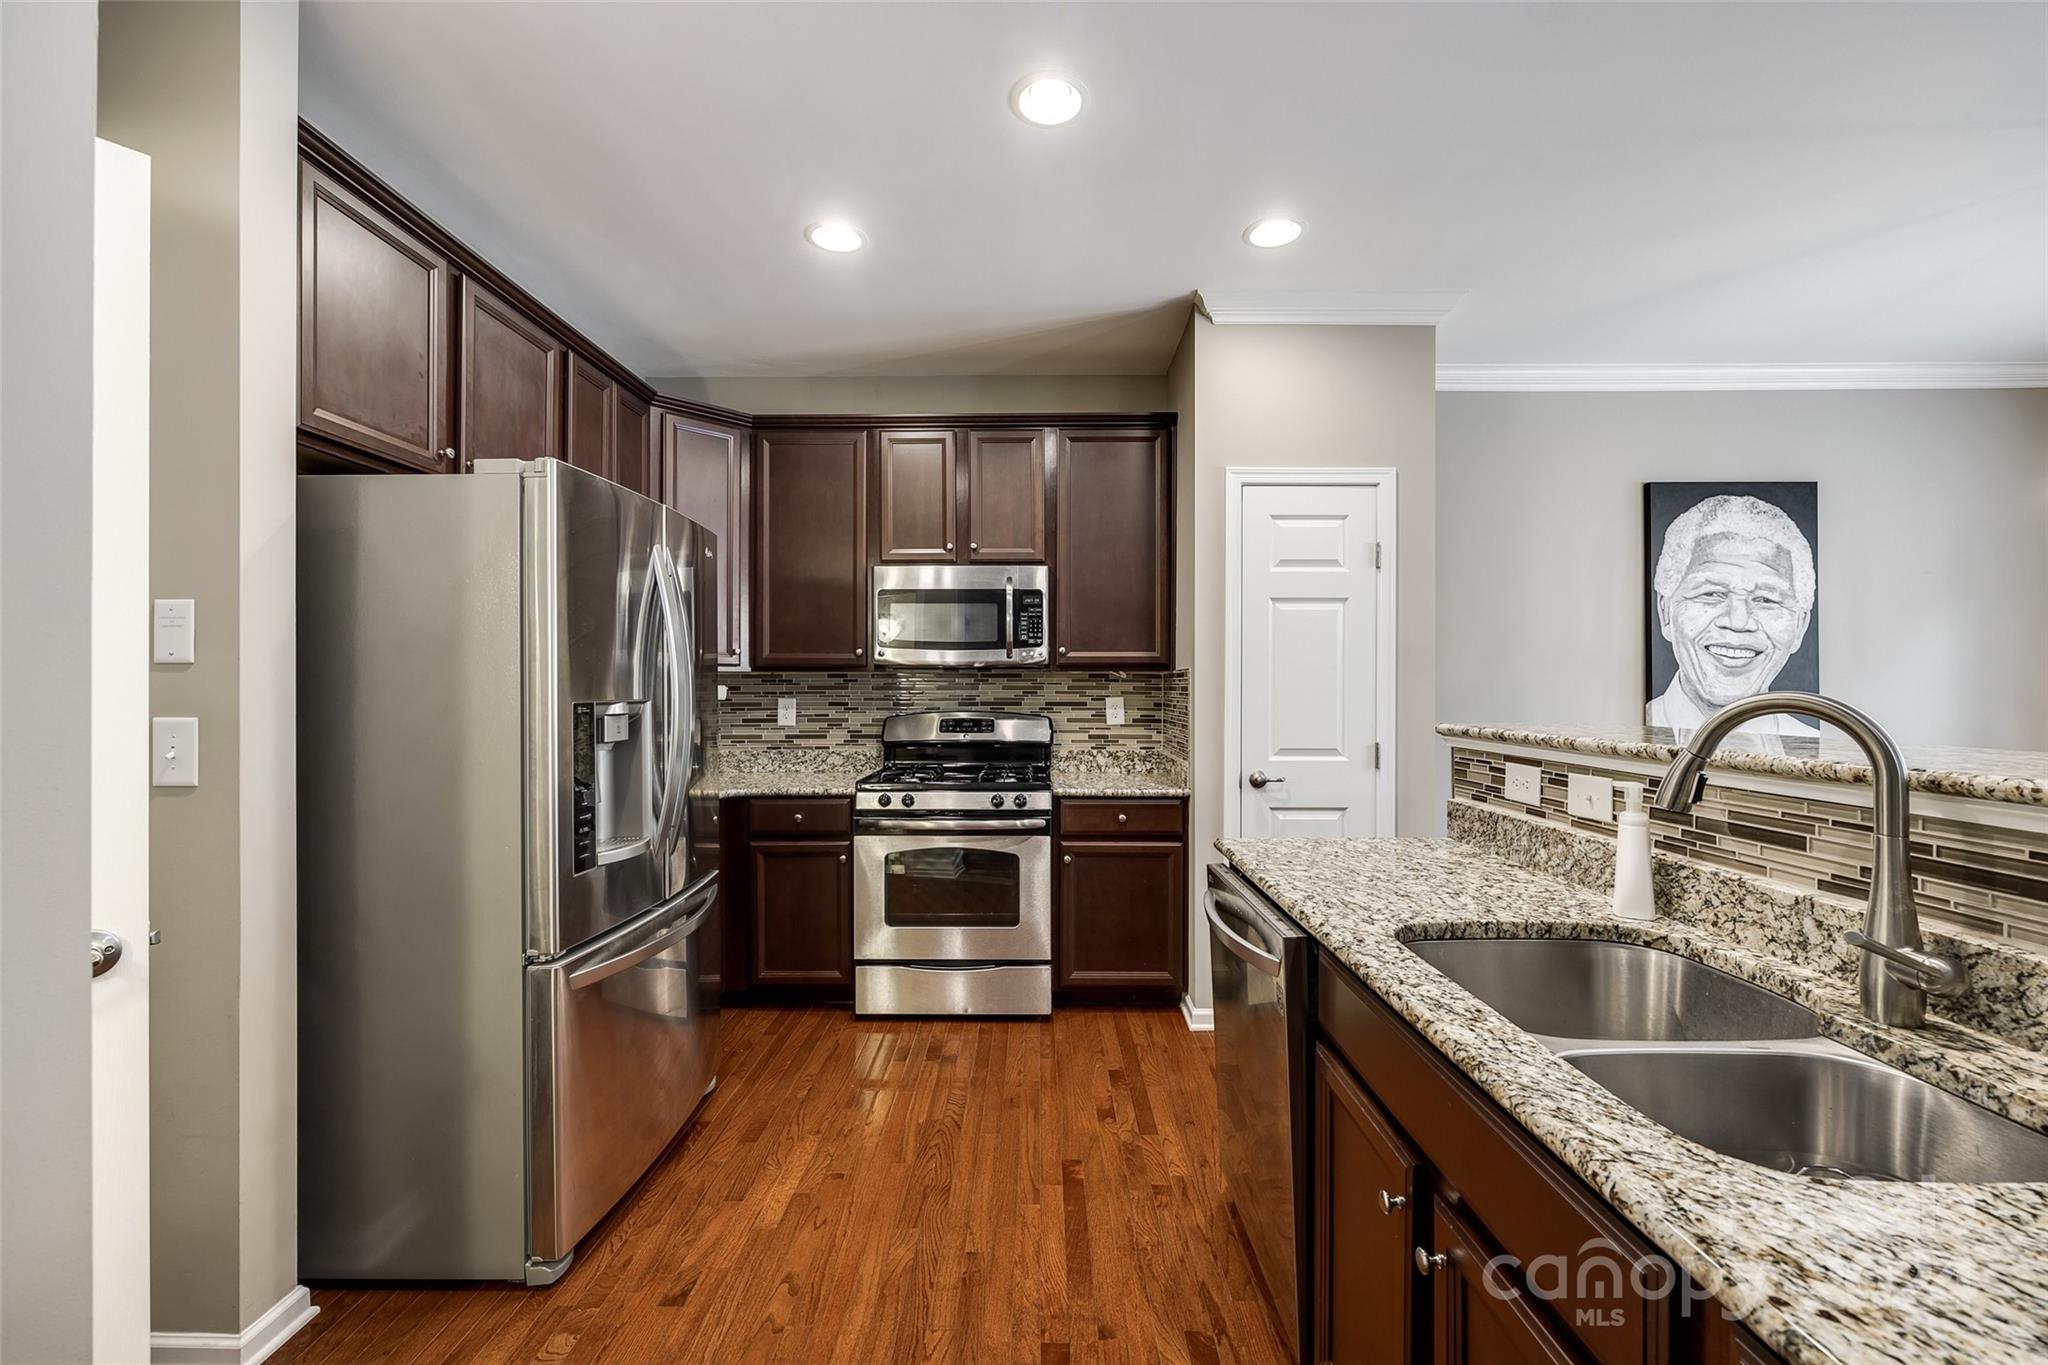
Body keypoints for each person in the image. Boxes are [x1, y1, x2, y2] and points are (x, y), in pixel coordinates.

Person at [1648, 494, 1817, 737]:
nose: (1738, 622)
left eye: (1766, 599)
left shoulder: (1821, 750)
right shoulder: (1615, 741)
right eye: (1712, 593)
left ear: (1800, 627)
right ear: (1665, 612)